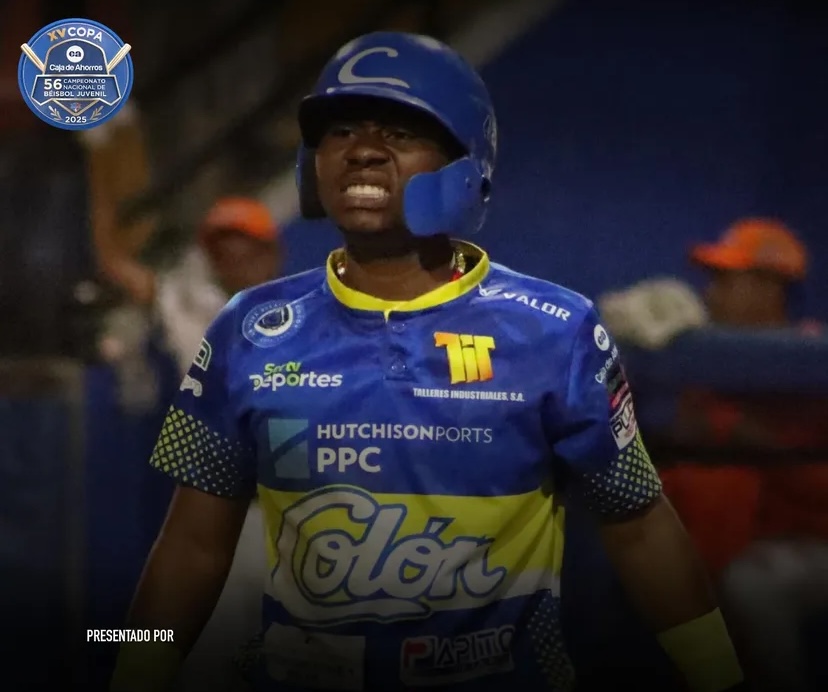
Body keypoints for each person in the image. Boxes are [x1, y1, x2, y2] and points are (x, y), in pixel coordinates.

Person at [110, 32, 744, 692]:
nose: (361, 150)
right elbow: (191, 548)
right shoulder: (247, 329)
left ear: (465, 161)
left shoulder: (558, 330)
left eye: (399, 132)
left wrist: (722, 677)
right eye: (341, 131)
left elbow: (640, 527)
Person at [663, 218, 828, 692]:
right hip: (762, 544)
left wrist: (742, 433)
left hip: (813, 544)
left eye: (725, 280)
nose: (710, 294)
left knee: (751, 584)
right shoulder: (710, 358)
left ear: (768, 288)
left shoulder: (813, 356)